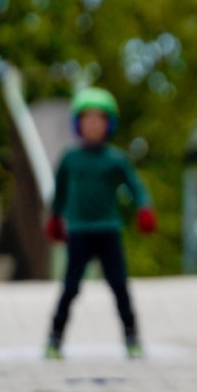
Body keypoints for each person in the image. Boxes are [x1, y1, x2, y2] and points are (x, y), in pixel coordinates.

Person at [45, 87, 157, 359]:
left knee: (119, 285)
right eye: (88, 119)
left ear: (109, 125)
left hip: (108, 231)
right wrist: (55, 218)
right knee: (70, 287)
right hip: (80, 232)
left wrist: (144, 208)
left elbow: (136, 187)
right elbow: (58, 193)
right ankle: (54, 339)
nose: (94, 125)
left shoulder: (115, 159)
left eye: (99, 120)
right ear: (78, 124)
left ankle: (132, 337)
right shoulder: (70, 159)